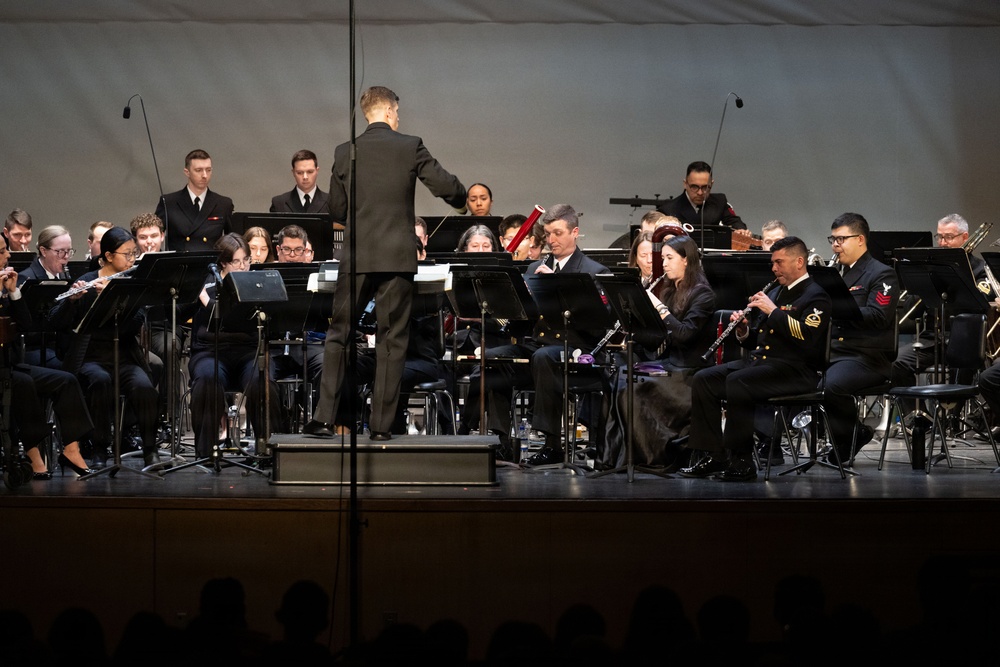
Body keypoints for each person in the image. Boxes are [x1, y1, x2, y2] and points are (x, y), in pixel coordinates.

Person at [304, 85, 467, 440]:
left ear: (367, 113)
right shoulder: (409, 145)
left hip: (357, 255)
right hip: (396, 257)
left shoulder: (345, 150)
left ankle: (323, 419)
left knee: (339, 336)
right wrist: (461, 201)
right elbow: (446, 186)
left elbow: (338, 211)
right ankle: (380, 427)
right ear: (391, 112)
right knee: (392, 340)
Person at [461, 204, 610, 465]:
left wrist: (556, 288)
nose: (551, 240)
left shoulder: (593, 271)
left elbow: (595, 328)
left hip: (576, 351)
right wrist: (515, 308)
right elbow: (523, 326)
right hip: (539, 348)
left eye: (558, 233)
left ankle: (551, 443)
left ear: (575, 232)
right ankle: (501, 441)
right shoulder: (533, 269)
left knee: (544, 357)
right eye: (548, 234)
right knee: (494, 358)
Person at [680, 236, 831, 482]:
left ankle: (742, 461)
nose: (774, 268)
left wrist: (772, 311)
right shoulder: (778, 291)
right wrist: (743, 331)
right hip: (763, 365)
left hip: (796, 371)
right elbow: (759, 340)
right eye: (773, 263)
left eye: (779, 262)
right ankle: (713, 455)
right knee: (704, 378)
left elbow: (806, 336)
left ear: (799, 262)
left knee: (738, 382)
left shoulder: (817, 296)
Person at [601, 234, 717, 470]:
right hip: (669, 364)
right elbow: (659, 339)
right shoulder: (671, 291)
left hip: (688, 371)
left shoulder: (703, 294)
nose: (663, 264)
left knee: (630, 386)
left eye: (669, 258)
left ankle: (651, 457)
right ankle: (617, 458)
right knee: (618, 378)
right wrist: (635, 320)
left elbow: (684, 335)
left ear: (686, 260)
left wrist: (660, 309)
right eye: (662, 258)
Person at [48, 226, 161, 468]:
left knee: (144, 387)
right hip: (90, 357)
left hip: (124, 356)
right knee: (100, 381)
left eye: (134, 254)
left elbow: (135, 322)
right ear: (109, 256)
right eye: (127, 254)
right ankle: (99, 449)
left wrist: (113, 299)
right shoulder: (88, 281)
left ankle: (150, 449)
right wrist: (71, 301)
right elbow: (57, 322)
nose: (132, 259)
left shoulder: (131, 282)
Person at [1, 234, 96, 478]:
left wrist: (12, 293)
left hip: (9, 365)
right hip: (8, 371)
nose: (8, 255)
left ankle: (71, 449)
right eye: (3, 251)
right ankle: (33, 455)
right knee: (22, 384)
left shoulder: (6, 285)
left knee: (66, 380)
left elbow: (25, 324)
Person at [188, 233, 283, 459]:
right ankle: (206, 452)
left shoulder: (255, 283)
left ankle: (270, 450)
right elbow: (179, 311)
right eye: (237, 262)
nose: (243, 267)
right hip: (210, 353)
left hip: (248, 352)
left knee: (263, 381)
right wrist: (199, 297)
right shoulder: (205, 284)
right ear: (223, 263)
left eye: (246, 260)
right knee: (206, 379)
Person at [891, 213, 992, 415]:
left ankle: (951, 420)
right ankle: (919, 419)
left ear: (965, 237)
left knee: (962, 368)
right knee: (897, 363)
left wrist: (956, 278)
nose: (943, 243)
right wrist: (922, 283)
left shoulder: (980, 270)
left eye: (949, 237)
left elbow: (980, 305)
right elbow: (912, 312)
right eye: (940, 237)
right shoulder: (930, 267)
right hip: (932, 340)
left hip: (965, 342)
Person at [820, 213, 898, 464]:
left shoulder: (882, 274)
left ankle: (851, 436)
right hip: (836, 352)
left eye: (841, 239)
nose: (835, 245)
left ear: (861, 239)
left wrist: (837, 309)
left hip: (867, 356)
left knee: (830, 385)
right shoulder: (836, 274)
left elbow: (878, 316)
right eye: (833, 239)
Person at [155, 148, 235, 253]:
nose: (205, 175)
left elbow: (233, 242)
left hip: (210, 265)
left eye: (208, 170)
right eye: (199, 170)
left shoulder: (223, 204)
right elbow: (153, 236)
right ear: (187, 172)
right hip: (179, 265)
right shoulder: (169, 202)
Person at [656, 161, 749, 241]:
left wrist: (740, 230)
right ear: (685, 184)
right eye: (694, 187)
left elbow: (734, 221)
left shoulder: (720, 201)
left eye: (705, 187)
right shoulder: (668, 210)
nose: (700, 193)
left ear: (712, 184)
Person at [270, 149, 332, 214]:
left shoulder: (332, 203)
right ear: (293, 172)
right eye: (299, 173)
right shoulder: (279, 203)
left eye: (310, 172)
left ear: (317, 171)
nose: (305, 177)